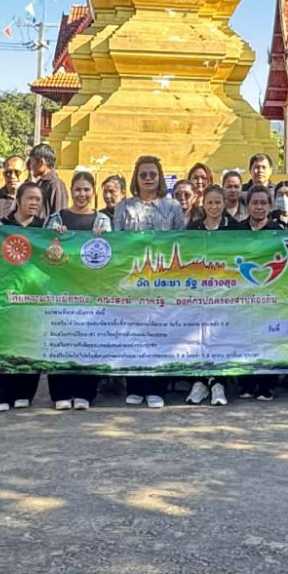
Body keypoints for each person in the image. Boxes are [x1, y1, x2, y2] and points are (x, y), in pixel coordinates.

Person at [113, 155, 185, 408]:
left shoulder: (173, 207)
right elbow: (117, 242)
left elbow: (181, 243)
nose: (148, 179)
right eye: (143, 174)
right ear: (136, 178)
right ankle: (135, 387)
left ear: (160, 177)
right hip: (133, 279)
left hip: (164, 281)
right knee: (133, 334)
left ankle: (157, 388)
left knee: (160, 334)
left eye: (152, 174)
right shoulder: (124, 207)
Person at [0, 182, 48, 411]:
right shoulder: (1, 226)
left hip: (32, 296)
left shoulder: (44, 228)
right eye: (30, 198)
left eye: (38, 199)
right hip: (3, 295)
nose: (34, 203)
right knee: (1, 340)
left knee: (29, 341)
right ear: (18, 200)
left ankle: (24, 392)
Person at [44, 171, 111, 410]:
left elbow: (112, 254)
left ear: (93, 192)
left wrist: (106, 239)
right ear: (71, 191)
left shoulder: (102, 221)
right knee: (60, 339)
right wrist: (55, 238)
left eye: (86, 189)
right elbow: (44, 251)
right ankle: (60, 392)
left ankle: (85, 392)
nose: (82, 194)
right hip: (60, 288)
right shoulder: (57, 218)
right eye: (78, 189)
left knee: (87, 340)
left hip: (91, 289)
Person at [182, 184, 237, 405]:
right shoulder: (193, 228)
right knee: (197, 337)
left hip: (225, 293)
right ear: (203, 204)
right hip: (197, 292)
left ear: (224, 204)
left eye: (218, 202)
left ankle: (218, 384)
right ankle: (199, 383)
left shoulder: (235, 229)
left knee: (219, 338)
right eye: (210, 203)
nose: (214, 207)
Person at [237, 184, 284, 400]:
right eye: (254, 203)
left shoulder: (279, 232)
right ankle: (246, 383)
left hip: (270, 295)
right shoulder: (235, 232)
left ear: (270, 206)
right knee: (244, 337)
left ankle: (267, 384)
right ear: (247, 206)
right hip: (241, 296)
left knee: (268, 339)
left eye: (263, 203)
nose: (258, 207)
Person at [28, 143, 69, 218]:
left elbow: (59, 214)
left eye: (32, 161)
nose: (31, 166)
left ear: (41, 162)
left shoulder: (56, 184)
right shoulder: (39, 183)